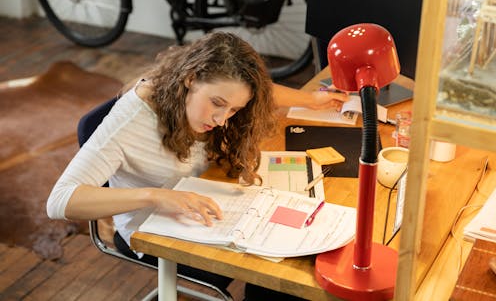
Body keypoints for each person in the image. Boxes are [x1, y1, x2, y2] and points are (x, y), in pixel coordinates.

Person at [46, 32, 348, 300]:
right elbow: (60, 201)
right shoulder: (130, 121)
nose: (221, 119)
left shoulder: (201, 92)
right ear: (190, 77)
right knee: (283, 271)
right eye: (217, 103)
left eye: (234, 109)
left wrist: (313, 100)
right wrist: (155, 196)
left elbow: (259, 92)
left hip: (206, 199)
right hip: (154, 229)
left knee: (298, 251)